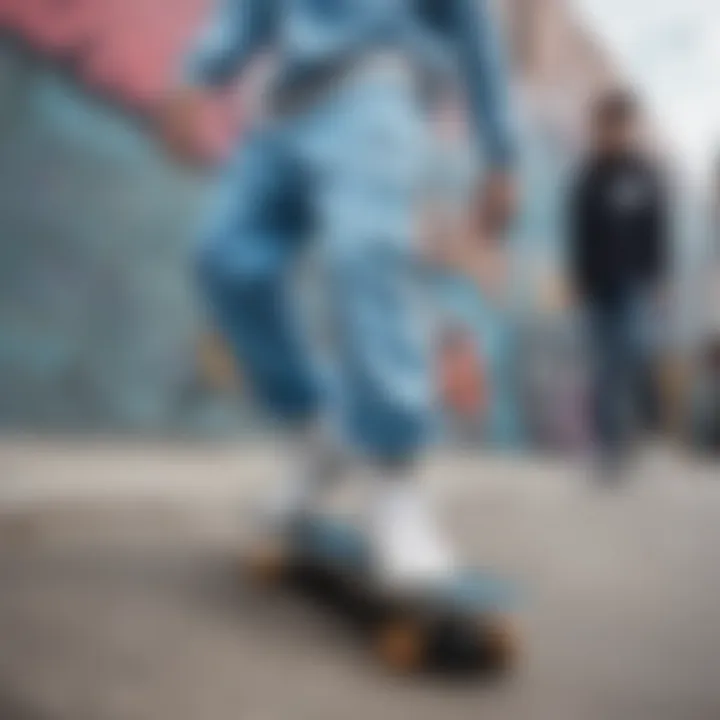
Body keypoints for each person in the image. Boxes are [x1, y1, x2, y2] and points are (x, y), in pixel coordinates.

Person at [158, 0, 518, 587]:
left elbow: (475, 24)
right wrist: (199, 73)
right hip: (281, 104)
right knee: (224, 258)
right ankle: (315, 433)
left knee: (365, 254)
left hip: (377, 82)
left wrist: (501, 153)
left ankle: (394, 484)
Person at [568, 90, 669, 479]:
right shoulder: (587, 178)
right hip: (597, 288)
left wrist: (660, 278)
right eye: (604, 126)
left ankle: (625, 440)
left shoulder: (645, 177)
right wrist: (577, 279)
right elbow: (577, 233)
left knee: (628, 360)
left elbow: (657, 231)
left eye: (618, 126)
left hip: (633, 286)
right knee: (602, 368)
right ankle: (609, 448)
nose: (610, 134)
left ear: (628, 128)